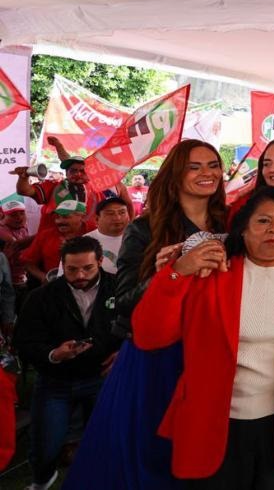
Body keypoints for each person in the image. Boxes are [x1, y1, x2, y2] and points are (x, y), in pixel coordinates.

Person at [132, 187, 274, 489]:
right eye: (263, 221)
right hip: (213, 421)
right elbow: (149, 335)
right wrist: (177, 271)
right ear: (242, 229)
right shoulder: (212, 270)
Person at [63, 139, 227, 490]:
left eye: (213, 165)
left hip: (213, 351)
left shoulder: (234, 223)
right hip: (158, 357)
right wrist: (172, 273)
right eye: (194, 166)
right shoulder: (144, 229)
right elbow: (123, 300)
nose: (207, 173)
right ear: (175, 174)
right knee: (148, 454)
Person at [14, 236, 120, 490]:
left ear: (100, 261)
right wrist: (53, 354)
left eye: (87, 268)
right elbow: (24, 340)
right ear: (62, 265)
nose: (80, 275)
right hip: (55, 382)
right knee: (46, 446)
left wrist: (124, 352)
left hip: (103, 378)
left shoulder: (119, 288)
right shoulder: (42, 296)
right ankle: (42, 479)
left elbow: (140, 326)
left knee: (107, 440)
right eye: (72, 269)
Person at [13, 137, 131, 233]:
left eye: (82, 171)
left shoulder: (99, 189)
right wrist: (23, 177)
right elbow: (24, 191)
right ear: (66, 173)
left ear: (90, 172)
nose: (78, 174)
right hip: (54, 240)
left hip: (89, 241)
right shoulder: (52, 186)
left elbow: (124, 207)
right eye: (73, 171)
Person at [21, 200, 87, 285]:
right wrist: (43, 277)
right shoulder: (45, 235)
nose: (59, 221)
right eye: (57, 217)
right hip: (56, 284)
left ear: (82, 217)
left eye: (65, 217)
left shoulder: (94, 231)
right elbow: (28, 262)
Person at [83, 196, 131, 274]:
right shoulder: (84, 242)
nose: (117, 218)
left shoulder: (139, 238)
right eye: (110, 214)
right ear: (97, 219)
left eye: (122, 212)